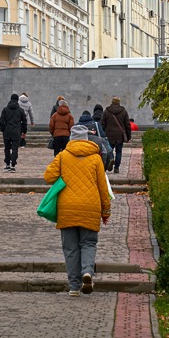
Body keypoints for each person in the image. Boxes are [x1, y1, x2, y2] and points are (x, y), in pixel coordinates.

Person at [44, 125, 112, 296]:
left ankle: (74, 286)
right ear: (86, 139)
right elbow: (103, 187)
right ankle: (87, 272)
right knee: (88, 243)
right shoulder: (96, 159)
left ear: (71, 139)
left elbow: (48, 177)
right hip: (90, 206)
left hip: (67, 207)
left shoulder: (63, 156)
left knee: (70, 248)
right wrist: (106, 211)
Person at [0, 92, 28, 171]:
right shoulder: (20, 110)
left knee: (7, 148)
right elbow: (24, 122)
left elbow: (1, 121)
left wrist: (3, 129)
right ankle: (13, 164)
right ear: (17, 100)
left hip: (7, 131)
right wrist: (23, 131)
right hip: (16, 131)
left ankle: (7, 164)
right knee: (15, 148)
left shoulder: (5, 109)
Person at [103, 97, 132, 174]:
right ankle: (116, 168)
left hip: (109, 134)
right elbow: (127, 125)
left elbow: (102, 124)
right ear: (119, 103)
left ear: (112, 102)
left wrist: (102, 134)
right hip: (120, 135)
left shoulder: (106, 111)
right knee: (119, 151)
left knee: (109, 150)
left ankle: (111, 160)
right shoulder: (124, 112)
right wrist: (128, 136)